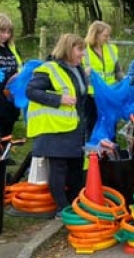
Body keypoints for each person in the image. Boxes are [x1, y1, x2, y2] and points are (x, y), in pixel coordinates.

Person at [25, 33, 88, 218]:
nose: (82, 54)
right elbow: (31, 91)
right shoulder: (49, 69)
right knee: (58, 168)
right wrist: (58, 99)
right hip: (54, 128)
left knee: (75, 166)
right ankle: (62, 207)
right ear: (68, 49)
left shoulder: (78, 68)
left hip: (73, 125)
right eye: (79, 49)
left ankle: (74, 203)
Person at [82, 20, 122, 139]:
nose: (108, 38)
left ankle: (110, 153)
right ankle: (92, 154)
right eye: (105, 35)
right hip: (91, 95)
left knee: (111, 123)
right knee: (92, 125)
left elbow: (117, 70)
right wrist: (85, 73)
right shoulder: (83, 51)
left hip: (109, 93)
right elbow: (76, 73)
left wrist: (125, 82)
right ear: (95, 34)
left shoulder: (112, 49)